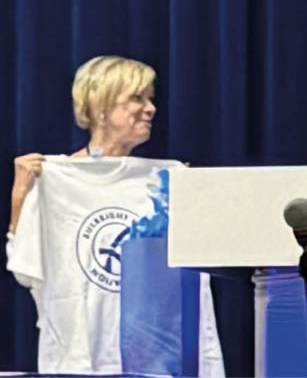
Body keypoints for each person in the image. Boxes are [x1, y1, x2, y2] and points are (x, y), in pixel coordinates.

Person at [7, 55, 223, 375]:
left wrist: (188, 194)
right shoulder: (55, 181)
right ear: (101, 107)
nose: (151, 109)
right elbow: (25, 270)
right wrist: (20, 196)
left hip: (157, 360)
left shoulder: (166, 183)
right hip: (82, 361)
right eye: (137, 98)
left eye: (150, 98)